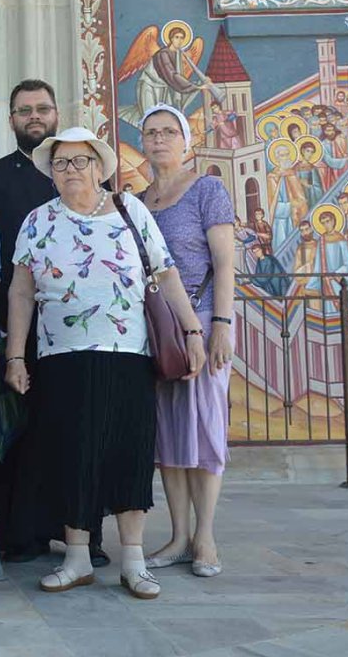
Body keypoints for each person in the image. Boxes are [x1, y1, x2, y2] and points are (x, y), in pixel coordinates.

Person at [6, 127, 206, 601]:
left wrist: (193, 330)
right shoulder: (37, 220)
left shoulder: (128, 209)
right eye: (61, 163)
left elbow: (165, 271)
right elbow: (20, 290)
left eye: (79, 161)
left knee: (127, 451)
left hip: (127, 354)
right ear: (50, 172)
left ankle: (133, 560)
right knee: (72, 452)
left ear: (99, 166)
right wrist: (16, 354)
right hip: (60, 356)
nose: (70, 171)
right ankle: (77, 558)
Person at [0, 79, 75, 564]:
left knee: (67, 429)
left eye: (43, 109)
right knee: (14, 431)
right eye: (24, 110)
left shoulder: (77, 173)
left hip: (73, 327)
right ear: (10, 119)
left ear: (57, 114)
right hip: (12, 325)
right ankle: (16, 534)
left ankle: (78, 533)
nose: (34, 117)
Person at [137, 104, 236, 579]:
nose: (159, 140)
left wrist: (221, 323)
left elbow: (226, 263)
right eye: (151, 132)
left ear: (186, 140)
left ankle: (206, 535)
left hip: (200, 319)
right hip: (157, 329)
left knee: (205, 427)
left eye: (168, 132)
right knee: (169, 434)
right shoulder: (137, 200)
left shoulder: (207, 189)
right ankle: (177, 535)